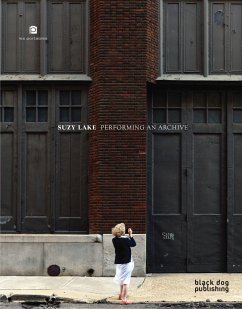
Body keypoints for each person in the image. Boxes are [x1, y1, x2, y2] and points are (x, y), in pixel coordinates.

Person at [112, 222, 136, 305]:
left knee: (121, 279)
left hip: (119, 262)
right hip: (127, 262)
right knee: (126, 281)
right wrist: (131, 234)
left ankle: (121, 295)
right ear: (123, 231)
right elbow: (133, 244)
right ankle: (124, 299)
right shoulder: (126, 240)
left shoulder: (114, 240)